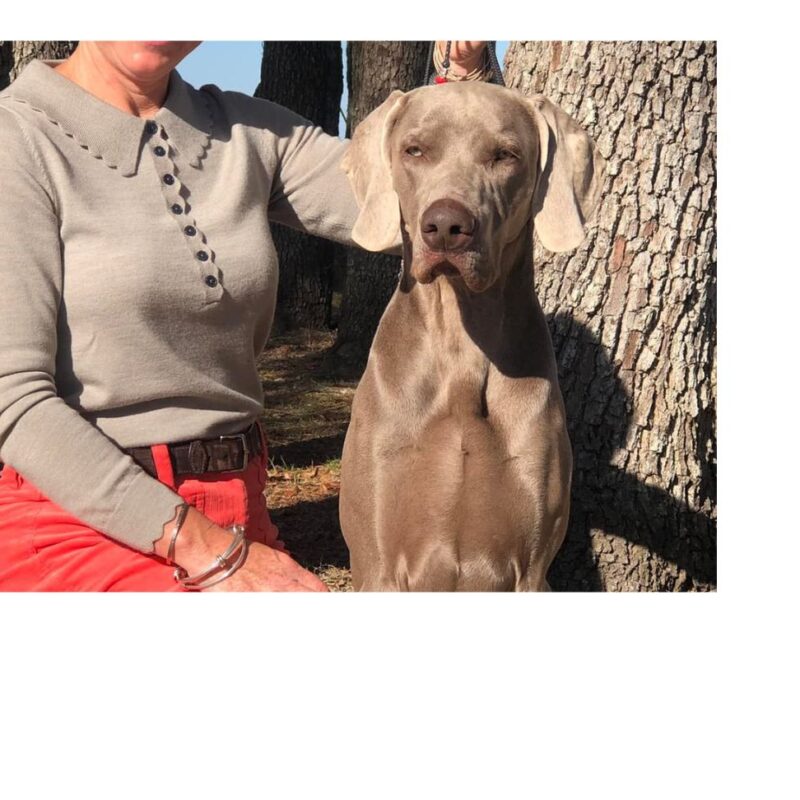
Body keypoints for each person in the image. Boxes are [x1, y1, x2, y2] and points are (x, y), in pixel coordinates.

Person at [0, 41, 490, 592]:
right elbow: (14, 401)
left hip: (239, 506)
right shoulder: (17, 138)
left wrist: (457, 81)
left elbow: (411, 207)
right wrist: (201, 545)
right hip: (78, 519)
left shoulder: (247, 131)